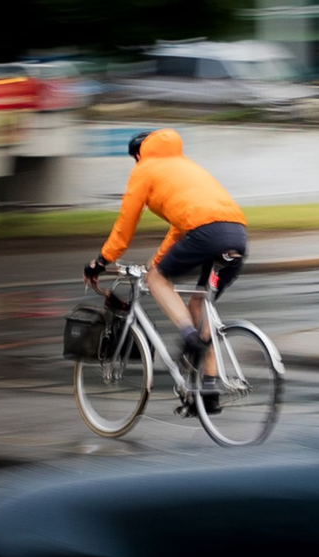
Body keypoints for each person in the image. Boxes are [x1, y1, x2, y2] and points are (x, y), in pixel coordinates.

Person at [82, 128, 247, 412]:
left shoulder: (144, 170)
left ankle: (189, 338)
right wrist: (157, 260)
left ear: (138, 154)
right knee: (199, 304)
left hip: (205, 234)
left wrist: (101, 260)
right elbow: (180, 227)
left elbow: (125, 224)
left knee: (156, 280)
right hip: (237, 235)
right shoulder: (185, 165)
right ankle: (209, 390)